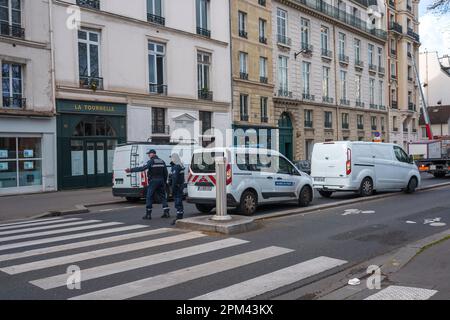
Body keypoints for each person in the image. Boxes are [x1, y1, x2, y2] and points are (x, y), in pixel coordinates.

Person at [125, 149, 170, 220]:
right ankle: (166, 212)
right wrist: (164, 182)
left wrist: (131, 170)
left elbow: (143, 168)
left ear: (153, 154)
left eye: (149, 154)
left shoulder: (151, 161)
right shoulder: (162, 161)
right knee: (163, 196)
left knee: (149, 196)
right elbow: (165, 173)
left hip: (153, 181)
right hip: (161, 181)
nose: (149, 155)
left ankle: (148, 215)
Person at [169, 153, 185, 225]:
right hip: (179, 185)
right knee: (178, 200)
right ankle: (180, 215)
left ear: (175, 158)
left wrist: (172, 188)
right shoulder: (179, 165)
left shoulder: (176, 166)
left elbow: (175, 178)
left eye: (172, 158)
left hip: (177, 186)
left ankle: (179, 216)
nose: (171, 159)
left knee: (178, 201)